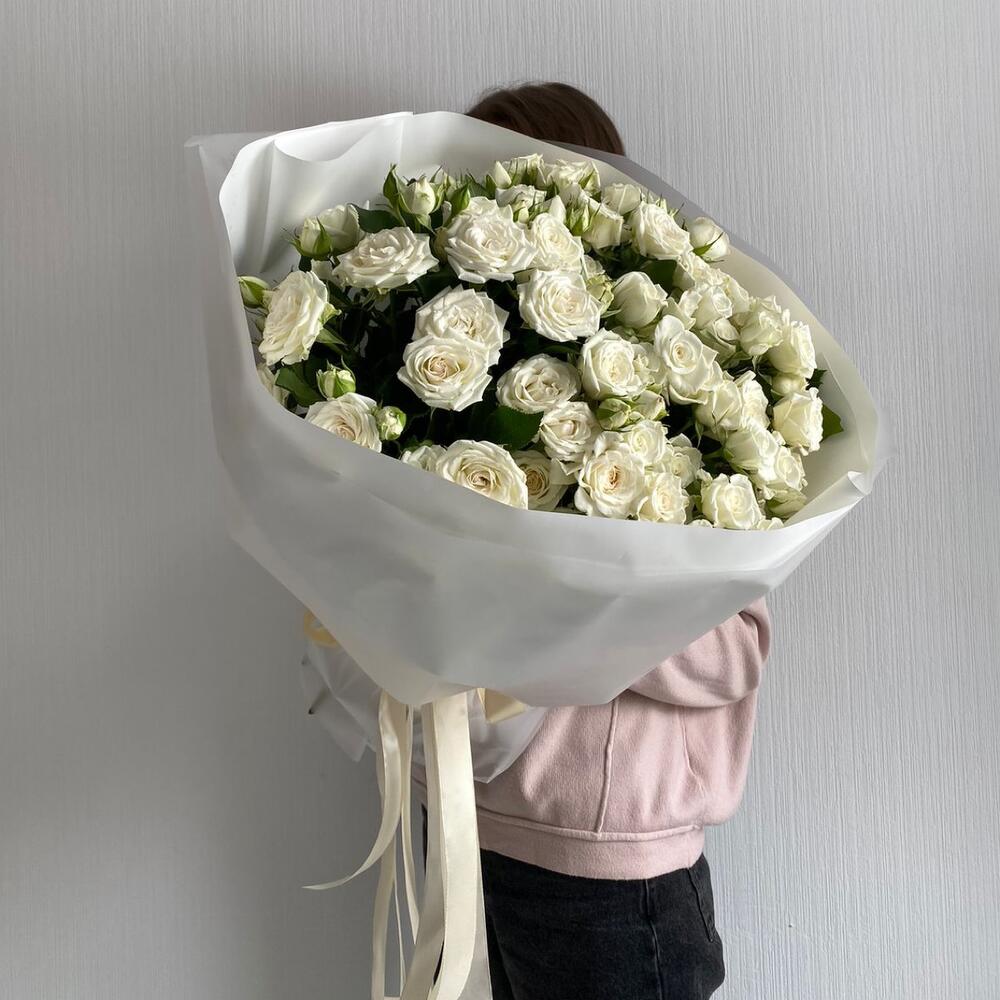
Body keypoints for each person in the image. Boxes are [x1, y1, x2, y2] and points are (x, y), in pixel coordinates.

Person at [411, 82, 774, 1000]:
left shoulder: (679, 400)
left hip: (610, 874)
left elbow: (733, 652)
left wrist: (569, 579)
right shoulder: (442, 381)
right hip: (460, 831)